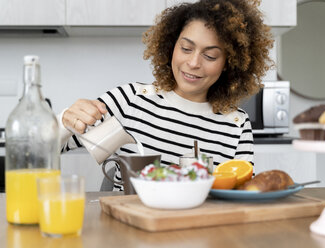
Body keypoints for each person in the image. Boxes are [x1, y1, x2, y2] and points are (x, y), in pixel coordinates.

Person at [58, 0, 273, 191]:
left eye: (210, 55)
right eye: (186, 48)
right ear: (171, 47)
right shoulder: (131, 100)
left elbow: (245, 194)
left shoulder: (236, 124)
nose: (194, 63)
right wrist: (64, 122)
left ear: (229, 63)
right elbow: (40, 148)